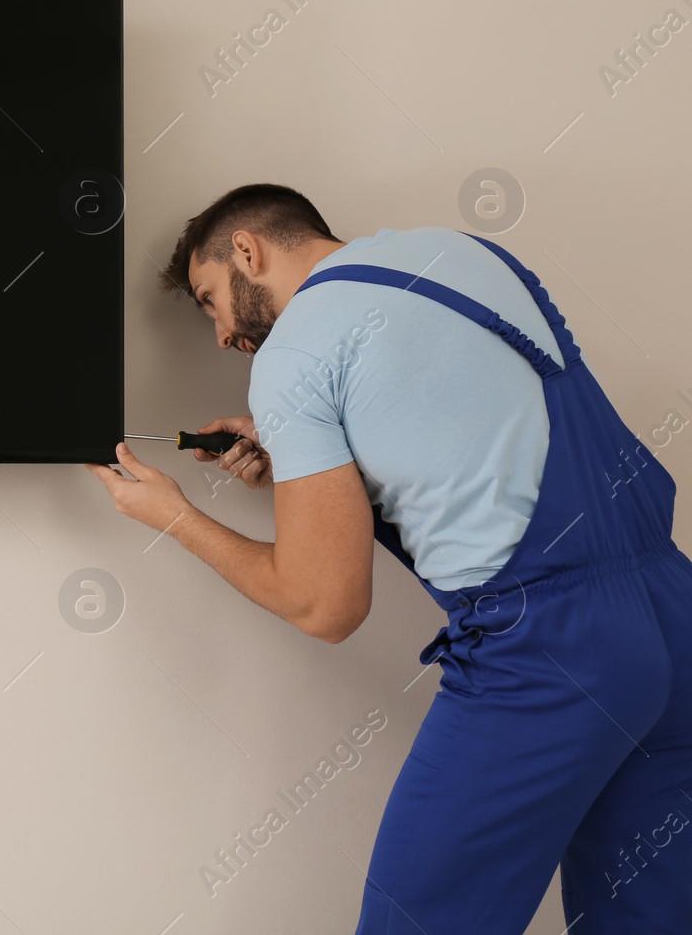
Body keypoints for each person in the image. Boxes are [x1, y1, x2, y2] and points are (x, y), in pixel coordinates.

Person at [85, 182, 692, 933]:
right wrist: (312, 456)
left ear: (247, 249)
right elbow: (466, 431)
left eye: (211, 300)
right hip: (672, 618)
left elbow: (324, 603)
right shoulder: (464, 252)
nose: (220, 336)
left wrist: (174, 515)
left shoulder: (295, 355)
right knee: (651, 915)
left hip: (550, 656)